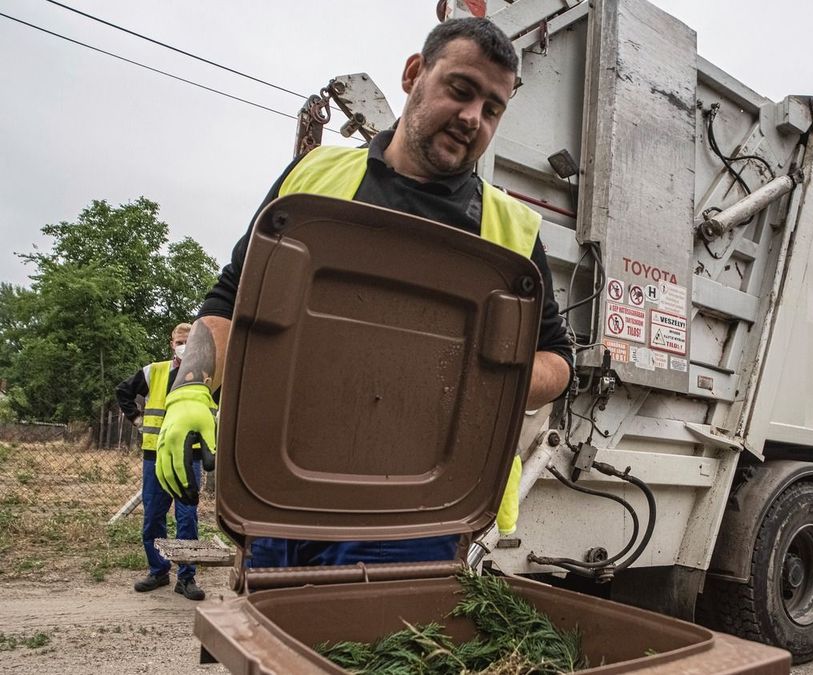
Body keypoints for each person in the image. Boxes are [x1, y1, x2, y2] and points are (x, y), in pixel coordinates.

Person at [155, 17, 572, 567]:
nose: (473, 118)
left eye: (492, 109)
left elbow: (557, 361)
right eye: (461, 90)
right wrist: (188, 391)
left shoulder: (510, 231)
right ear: (413, 73)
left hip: (421, 513)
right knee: (270, 650)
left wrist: (480, 383)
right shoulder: (313, 178)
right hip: (283, 499)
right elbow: (231, 303)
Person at [115, 323, 211, 600]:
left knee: (187, 518)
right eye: (179, 341)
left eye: (188, 341)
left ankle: (186, 577)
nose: (183, 345)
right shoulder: (153, 371)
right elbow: (123, 391)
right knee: (154, 516)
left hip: (188, 456)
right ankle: (158, 571)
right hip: (154, 455)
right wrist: (136, 419)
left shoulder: (205, 375)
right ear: (172, 343)